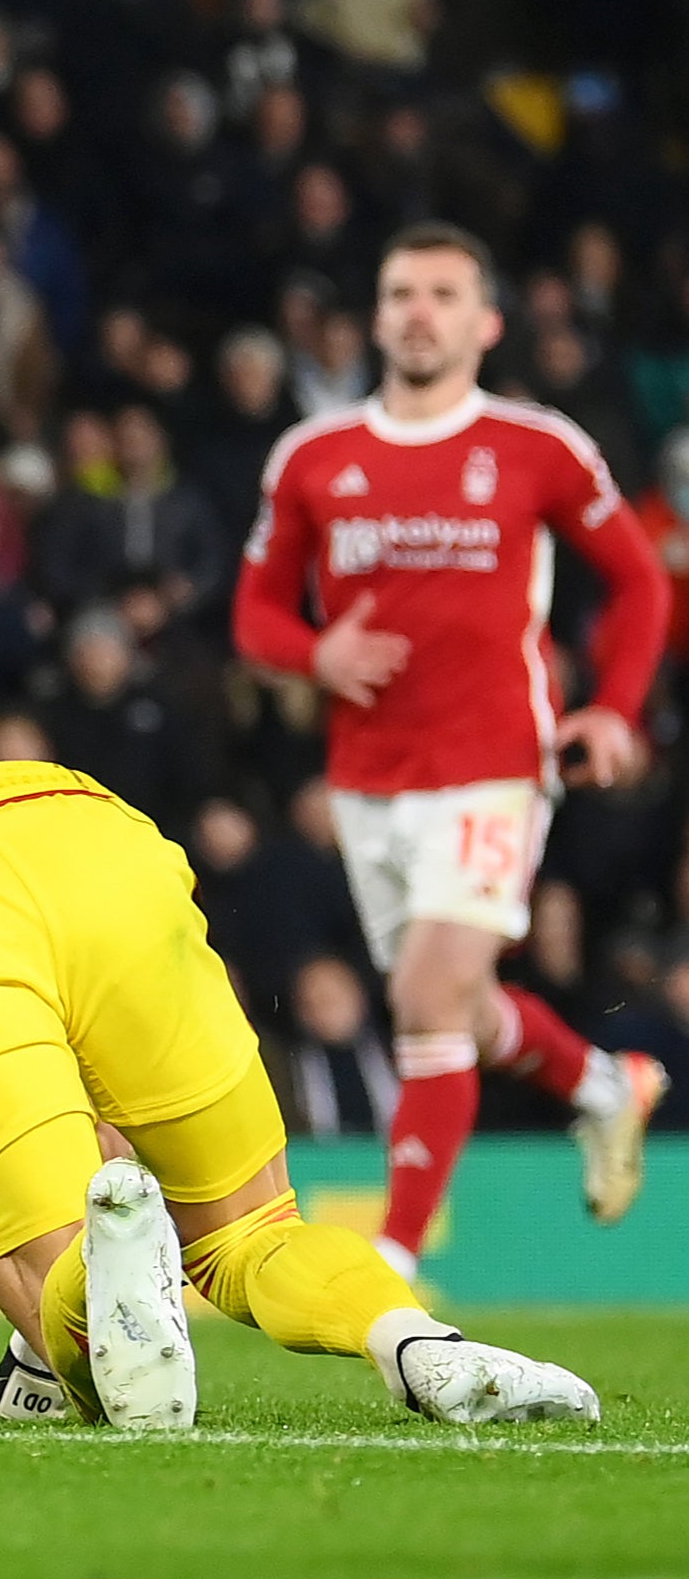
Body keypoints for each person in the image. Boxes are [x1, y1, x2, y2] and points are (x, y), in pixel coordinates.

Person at [0, 697, 599, 1431]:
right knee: (247, 1232)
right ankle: (414, 1344)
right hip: (82, 827)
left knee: (78, 1316)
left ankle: (89, 1306)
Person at [233, 223, 671, 1274]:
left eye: (440, 294)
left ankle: (388, 1261)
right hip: (366, 782)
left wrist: (611, 707)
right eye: (399, 294)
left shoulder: (537, 446)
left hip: (494, 767)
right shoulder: (311, 455)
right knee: (459, 1009)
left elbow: (642, 582)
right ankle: (610, 1087)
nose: (417, 313)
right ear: (375, 318)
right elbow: (252, 614)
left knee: (425, 1001)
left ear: (484, 322)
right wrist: (315, 650)